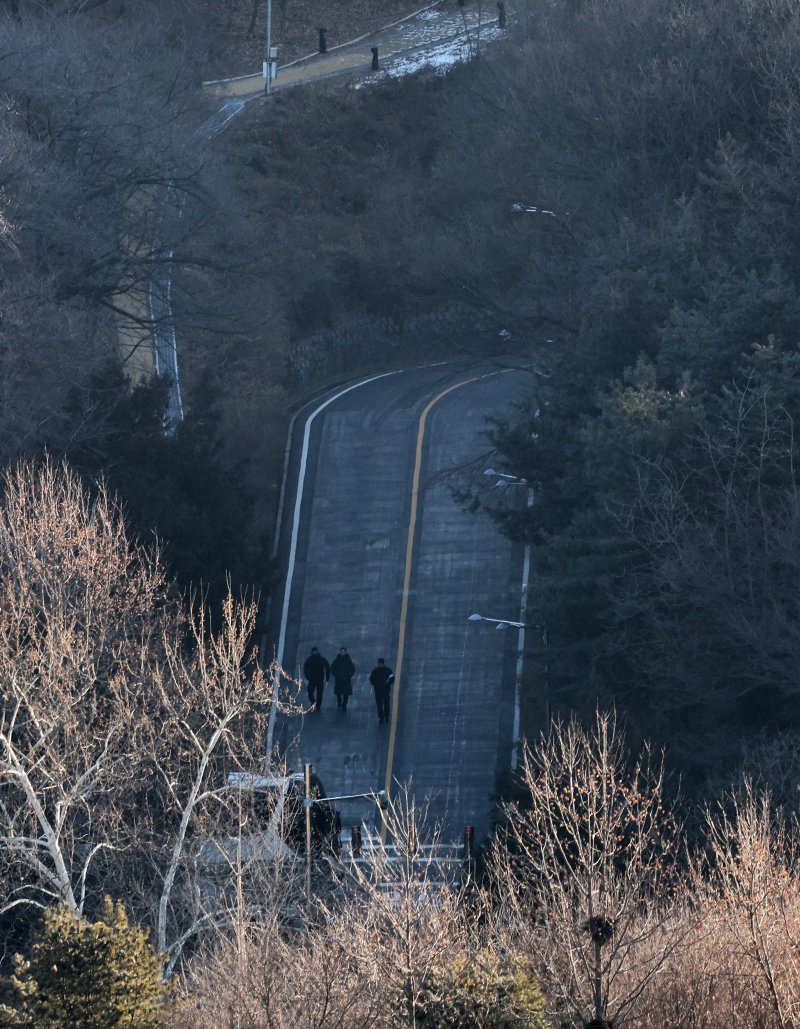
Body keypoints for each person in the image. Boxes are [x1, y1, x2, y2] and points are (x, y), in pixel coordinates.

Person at [303, 646, 330, 712]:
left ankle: (318, 705)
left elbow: (327, 667)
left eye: (315, 651)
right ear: (312, 652)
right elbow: (305, 668)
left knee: (319, 693)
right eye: (314, 652)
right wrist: (307, 676)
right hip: (312, 679)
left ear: (317, 652)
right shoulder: (310, 660)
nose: (314, 653)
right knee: (310, 692)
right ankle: (313, 702)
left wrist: (327, 678)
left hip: (320, 679)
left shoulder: (321, 659)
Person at [369, 657, 394, 724]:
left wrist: (388, 682)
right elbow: (371, 679)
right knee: (379, 705)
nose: (379, 664)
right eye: (379, 663)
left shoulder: (387, 670)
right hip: (379, 691)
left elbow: (392, 678)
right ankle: (381, 717)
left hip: (385, 690)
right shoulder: (376, 671)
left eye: (380, 663)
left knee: (386, 704)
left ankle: (386, 716)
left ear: (382, 663)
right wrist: (375, 684)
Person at [331, 646, 356, 712]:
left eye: (344, 652)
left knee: (346, 694)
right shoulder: (337, 659)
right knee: (338, 694)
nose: (343, 653)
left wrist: (349, 675)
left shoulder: (348, 660)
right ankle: (339, 703)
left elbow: (352, 668)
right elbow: (332, 667)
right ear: (340, 652)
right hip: (338, 680)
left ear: (345, 652)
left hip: (346, 680)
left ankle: (344, 705)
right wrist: (336, 674)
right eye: (342, 651)